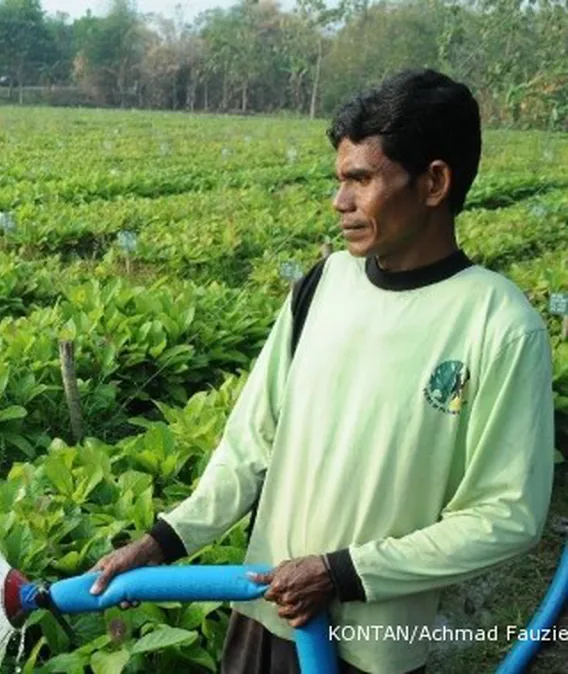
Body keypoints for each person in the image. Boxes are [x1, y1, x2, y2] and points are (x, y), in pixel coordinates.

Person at [87, 68, 556, 673]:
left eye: (361, 179)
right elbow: (250, 443)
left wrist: (342, 573)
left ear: (434, 182)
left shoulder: (500, 324)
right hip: (262, 613)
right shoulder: (322, 284)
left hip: (371, 647)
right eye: (340, 181)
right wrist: (162, 542)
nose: (340, 202)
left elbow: (505, 515)